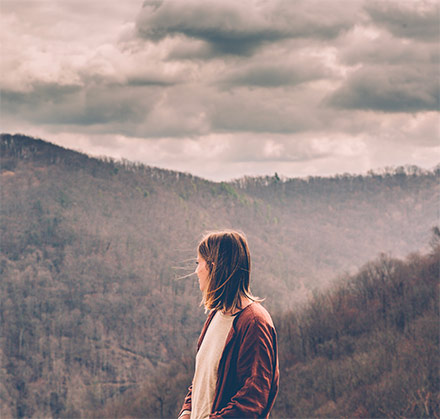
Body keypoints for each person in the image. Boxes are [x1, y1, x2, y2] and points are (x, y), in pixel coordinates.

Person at [178, 230, 279, 419]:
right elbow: (203, 379)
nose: (196, 271)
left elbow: (253, 401)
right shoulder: (216, 315)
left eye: (198, 263)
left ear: (213, 267)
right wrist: (187, 411)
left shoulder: (254, 323)